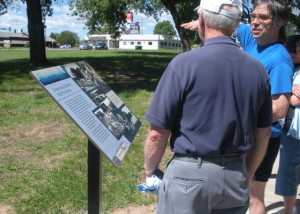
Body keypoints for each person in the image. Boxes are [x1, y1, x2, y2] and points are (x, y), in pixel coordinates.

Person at [143, 0, 273, 213]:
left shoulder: (183, 64)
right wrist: (245, 174)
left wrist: (150, 171)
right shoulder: (257, 70)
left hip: (189, 176)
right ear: (235, 25)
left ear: (201, 19)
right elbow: (264, 132)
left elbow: (158, 133)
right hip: (234, 174)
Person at [181, 1, 293, 213]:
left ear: (279, 22)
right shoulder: (252, 38)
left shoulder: (279, 59)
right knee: (239, 191)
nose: (255, 22)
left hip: (263, 138)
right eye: (253, 17)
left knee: (253, 195)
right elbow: (226, 22)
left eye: (263, 18)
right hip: (244, 134)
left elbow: (279, 108)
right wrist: (202, 21)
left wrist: (238, 107)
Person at [275, 36, 300, 214]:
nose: (293, 54)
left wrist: (291, 94)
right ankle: (288, 211)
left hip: (293, 130)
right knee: (288, 174)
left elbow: (294, 99)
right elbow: (291, 98)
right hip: (291, 131)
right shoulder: (286, 68)